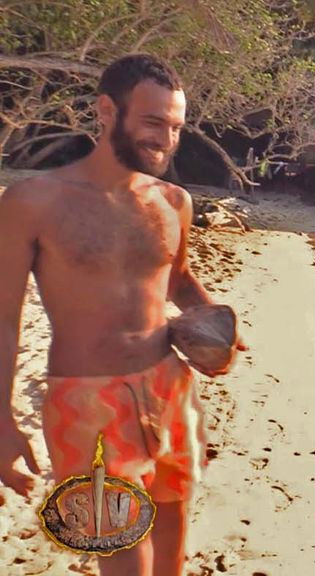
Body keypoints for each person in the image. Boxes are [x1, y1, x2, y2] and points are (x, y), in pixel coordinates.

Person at [0, 54, 241, 576]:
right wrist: (2, 418)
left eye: (176, 127)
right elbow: (4, 317)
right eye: (153, 122)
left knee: (172, 530)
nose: (166, 139)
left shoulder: (174, 201)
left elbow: (176, 278)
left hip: (170, 387)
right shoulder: (32, 202)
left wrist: (218, 325)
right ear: (107, 110)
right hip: (85, 403)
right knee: (123, 553)